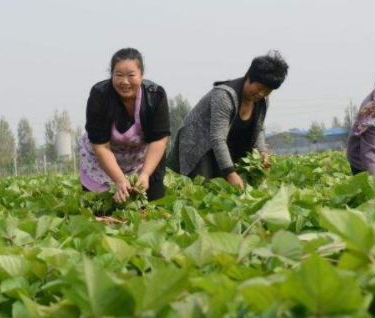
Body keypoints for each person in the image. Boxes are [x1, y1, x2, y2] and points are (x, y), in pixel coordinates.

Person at [167, 50, 288, 189]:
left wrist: (263, 152)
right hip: (199, 144)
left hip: (225, 145)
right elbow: (217, 138)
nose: (261, 94)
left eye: (268, 91)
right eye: (260, 88)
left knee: (229, 189)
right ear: (249, 77)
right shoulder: (224, 96)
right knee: (204, 188)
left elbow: (258, 129)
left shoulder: (262, 102)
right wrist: (230, 173)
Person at [80, 48, 171, 203]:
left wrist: (145, 174)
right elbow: (101, 146)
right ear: (112, 75)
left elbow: (159, 140)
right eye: (119, 75)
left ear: (141, 75)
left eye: (131, 75)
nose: (125, 81)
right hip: (102, 160)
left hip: (141, 159)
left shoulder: (155, 95)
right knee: (100, 209)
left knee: (151, 205)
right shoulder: (99, 96)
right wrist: (119, 179)